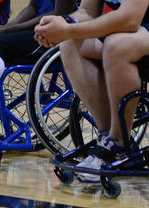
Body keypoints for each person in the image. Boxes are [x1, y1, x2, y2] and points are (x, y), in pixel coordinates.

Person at [34, 0, 149, 182]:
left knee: (116, 44)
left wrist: (66, 30)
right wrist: (61, 24)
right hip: (136, 32)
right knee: (71, 42)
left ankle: (119, 143)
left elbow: (129, 19)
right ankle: (108, 140)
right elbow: (87, 12)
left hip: (134, 29)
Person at [0, 0, 78, 87]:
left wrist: (9, 30)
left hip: (60, 34)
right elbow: (33, 7)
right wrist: (4, 28)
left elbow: (59, 14)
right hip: (38, 28)